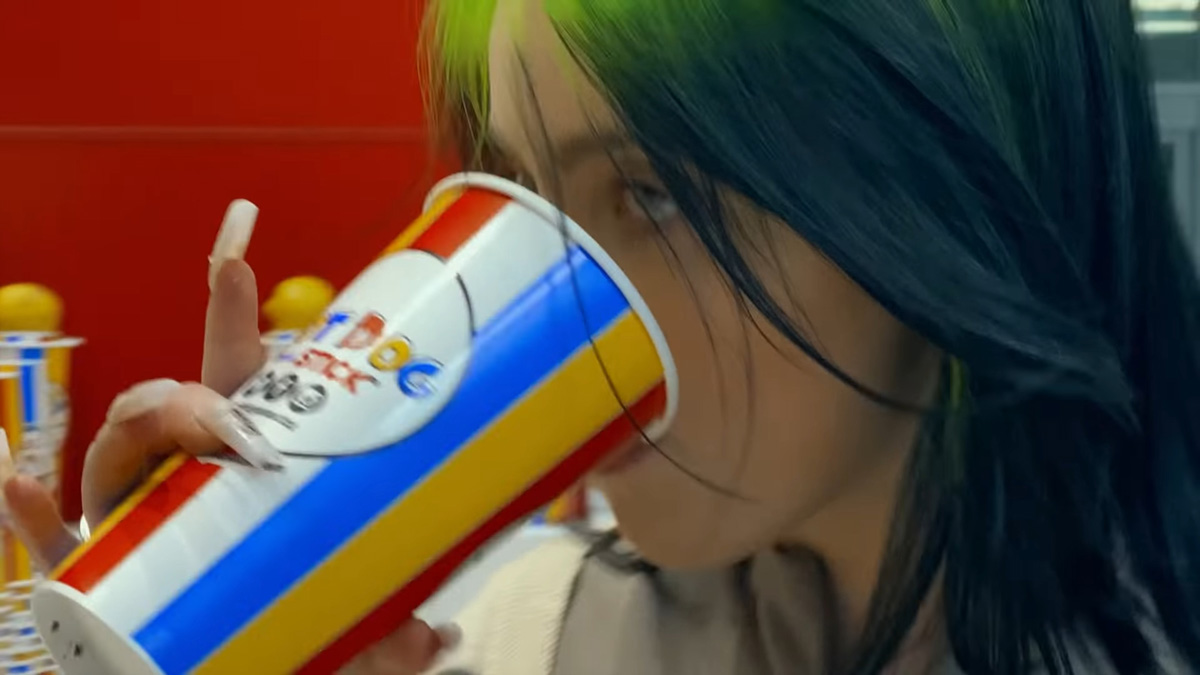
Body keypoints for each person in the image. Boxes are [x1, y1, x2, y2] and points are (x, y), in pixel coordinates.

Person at [6, 0, 1200, 673]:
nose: (560, 299)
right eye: (520, 193)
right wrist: (241, 595)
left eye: (656, 194)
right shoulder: (520, 639)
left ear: (953, 204)